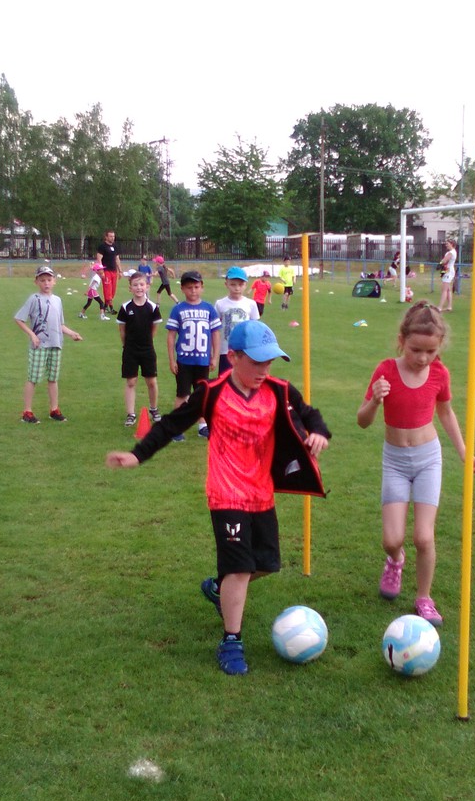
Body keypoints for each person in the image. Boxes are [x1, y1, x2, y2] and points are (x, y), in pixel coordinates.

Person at [105, 320, 330, 676]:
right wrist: (137, 455)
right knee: (239, 568)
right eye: (256, 362)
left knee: (266, 564)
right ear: (233, 357)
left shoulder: (280, 391)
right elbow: (171, 424)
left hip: (261, 492)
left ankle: (217, 588)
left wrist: (319, 432)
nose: (264, 369)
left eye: (269, 362)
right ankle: (231, 640)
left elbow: (309, 414)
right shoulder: (212, 392)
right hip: (225, 493)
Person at [357, 301, 475, 628]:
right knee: (391, 539)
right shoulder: (385, 371)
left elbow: (446, 413)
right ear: (402, 341)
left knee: (424, 537)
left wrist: (464, 451)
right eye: (416, 350)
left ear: (439, 346)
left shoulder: (439, 373)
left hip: (428, 459)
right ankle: (395, 560)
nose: (423, 358)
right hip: (395, 461)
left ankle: (424, 597)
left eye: (431, 351)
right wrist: (375, 400)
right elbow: (362, 421)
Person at [13, 265, 83, 423]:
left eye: (49, 280)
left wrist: (72, 333)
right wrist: (32, 335)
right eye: (42, 280)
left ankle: (54, 409)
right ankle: (27, 412)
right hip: (40, 345)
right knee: (33, 378)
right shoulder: (34, 299)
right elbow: (19, 319)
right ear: (36, 282)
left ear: (54, 281)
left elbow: (60, 324)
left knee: (53, 379)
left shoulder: (57, 300)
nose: (46, 283)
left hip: (55, 344)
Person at [166, 271, 221, 441]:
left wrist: (215, 356)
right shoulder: (178, 309)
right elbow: (171, 335)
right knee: (182, 394)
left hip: (202, 361)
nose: (193, 291)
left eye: (196, 287)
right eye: (189, 287)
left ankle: (203, 425)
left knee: (202, 394)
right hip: (184, 360)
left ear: (202, 287)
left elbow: (215, 334)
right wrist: (172, 359)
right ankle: (177, 427)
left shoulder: (209, 309)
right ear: (182, 289)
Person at [117, 271, 163, 427]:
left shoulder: (152, 307)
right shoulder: (125, 307)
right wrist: (127, 345)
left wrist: (147, 342)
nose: (139, 287)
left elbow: (154, 329)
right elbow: (122, 330)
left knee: (151, 381)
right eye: (135, 285)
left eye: (142, 284)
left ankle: (154, 409)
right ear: (130, 288)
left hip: (147, 350)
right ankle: (131, 413)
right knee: (131, 381)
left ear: (147, 286)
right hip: (130, 350)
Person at [214, 266, 260, 376]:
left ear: (245, 285)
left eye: (240, 284)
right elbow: (214, 328)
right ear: (226, 284)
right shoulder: (220, 304)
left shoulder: (251, 304)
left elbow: (255, 328)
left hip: (245, 350)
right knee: (226, 379)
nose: (237, 288)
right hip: (226, 351)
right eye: (233, 284)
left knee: (244, 378)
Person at [97, 230, 123, 313]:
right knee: (107, 289)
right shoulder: (102, 246)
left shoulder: (115, 246)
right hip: (106, 271)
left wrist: (120, 271)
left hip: (114, 271)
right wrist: (101, 270)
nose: (112, 238)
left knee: (112, 290)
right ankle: (111, 308)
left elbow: (117, 259)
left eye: (113, 236)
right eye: (111, 236)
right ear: (106, 237)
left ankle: (105, 306)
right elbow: (99, 259)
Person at [438, 240, 457, 312]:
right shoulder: (451, 252)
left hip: (448, 271)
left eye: (447, 244)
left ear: (452, 244)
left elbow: (444, 261)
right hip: (447, 270)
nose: (446, 245)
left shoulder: (451, 252)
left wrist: (440, 263)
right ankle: (449, 306)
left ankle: (440, 307)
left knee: (444, 289)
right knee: (448, 289)